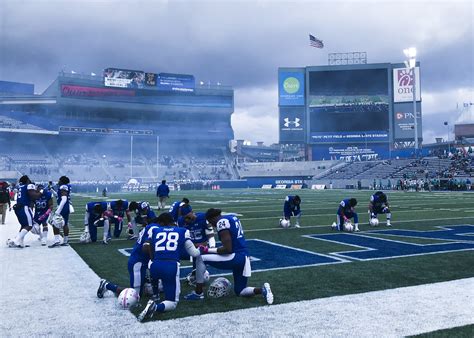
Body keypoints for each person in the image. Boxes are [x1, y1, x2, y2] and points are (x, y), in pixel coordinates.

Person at [184, 208, 273, 305]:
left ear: (213, 218)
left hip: (235, 257)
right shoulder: (232, 218)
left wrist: (207, 250)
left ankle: (198, 293)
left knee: (200, 258)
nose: (212, 225)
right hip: (244, 257)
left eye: (211, 222)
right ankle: (263, 290)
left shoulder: (221, 222)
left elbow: (228, 249)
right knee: (240, 291)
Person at [136, 212, 202, 322]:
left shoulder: (155, 230)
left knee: (159, 277)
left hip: (155, 265)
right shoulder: (182, 231)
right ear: (172, 221)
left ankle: (156, 295)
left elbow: (149, 247)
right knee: (172, 302)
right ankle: (155, 307)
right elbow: (194, 253)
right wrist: (203, 249)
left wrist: (153, 258)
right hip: (171, 266)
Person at [97, 215, 161, 301]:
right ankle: (107, 285)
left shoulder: (151, 227)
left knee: (156, 288)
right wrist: (153, 259)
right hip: (138, 263)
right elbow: (147, 246)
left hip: (141, 261)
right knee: (135, 295)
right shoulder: (154, 228)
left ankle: (146, 284)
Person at [178, 209, 216, 284]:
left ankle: (197, 272)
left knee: (198, 254)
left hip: (202, 248)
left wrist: (212, 248)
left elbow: (210, 236)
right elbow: (181, 239)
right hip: (189, 246)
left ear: (192, 212)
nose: (186, 220)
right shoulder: (181, 221)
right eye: (185, 218)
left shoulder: (203, 218)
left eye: (188, 218)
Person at [7, 175, 42, 247]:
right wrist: (41, 192)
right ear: (27, 181)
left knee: (23, 225)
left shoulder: (20, 187)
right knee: (29, 225)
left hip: (18, 207)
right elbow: (34, 196)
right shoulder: (28, 186)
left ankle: (20, 242)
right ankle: (16, 240)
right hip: (24, 207)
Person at [48, 176, 72, 248]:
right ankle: (65, 241)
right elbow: (59, 196)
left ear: (62, 181)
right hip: (66, 206)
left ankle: (57, 241)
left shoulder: (63, 187)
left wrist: (58, 211)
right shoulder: (65, 186)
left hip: (63, 207)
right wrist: (52, 190)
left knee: (55, 222)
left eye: (59, 180)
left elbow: (64, 199)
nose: (58, 181)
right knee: (65, 223)